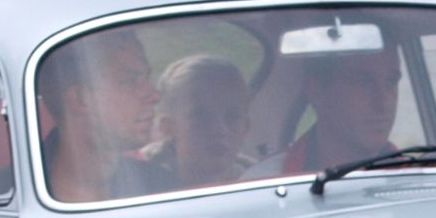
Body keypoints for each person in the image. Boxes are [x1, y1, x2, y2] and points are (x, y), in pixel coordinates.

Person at [39, 28, 168, 203]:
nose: (154, 95)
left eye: (147, 78)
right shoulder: (5, 202)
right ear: (80, 99)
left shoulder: (161, 186)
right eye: (130, 81)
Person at [244, 44, 401, 178]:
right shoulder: (263, 184)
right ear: (316, 90)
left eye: (391, 82)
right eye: (363, 82)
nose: (384, 102)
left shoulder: (417, 179)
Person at [136, 55, 253, 189]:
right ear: (168, 127)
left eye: (232, 117)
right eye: (201, 117)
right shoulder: (136, 180)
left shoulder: (258, 182)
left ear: (246, 127)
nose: (219, 129)